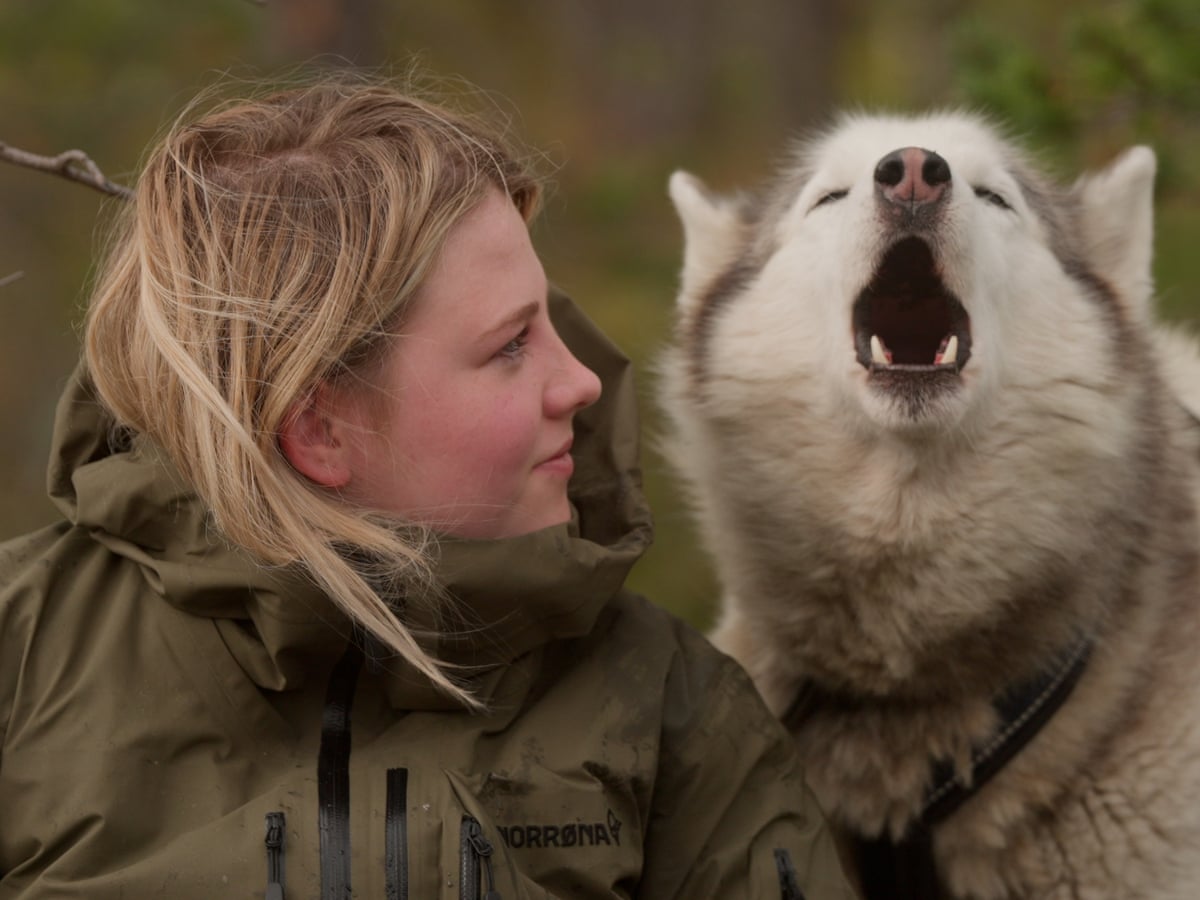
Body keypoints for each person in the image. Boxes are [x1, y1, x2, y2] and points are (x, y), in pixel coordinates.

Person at [0, 75, 855, 899]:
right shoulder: (22, 657)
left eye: (549, 320)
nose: (581, 384)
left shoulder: (674, 709)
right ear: (321, 429)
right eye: (510, 347)